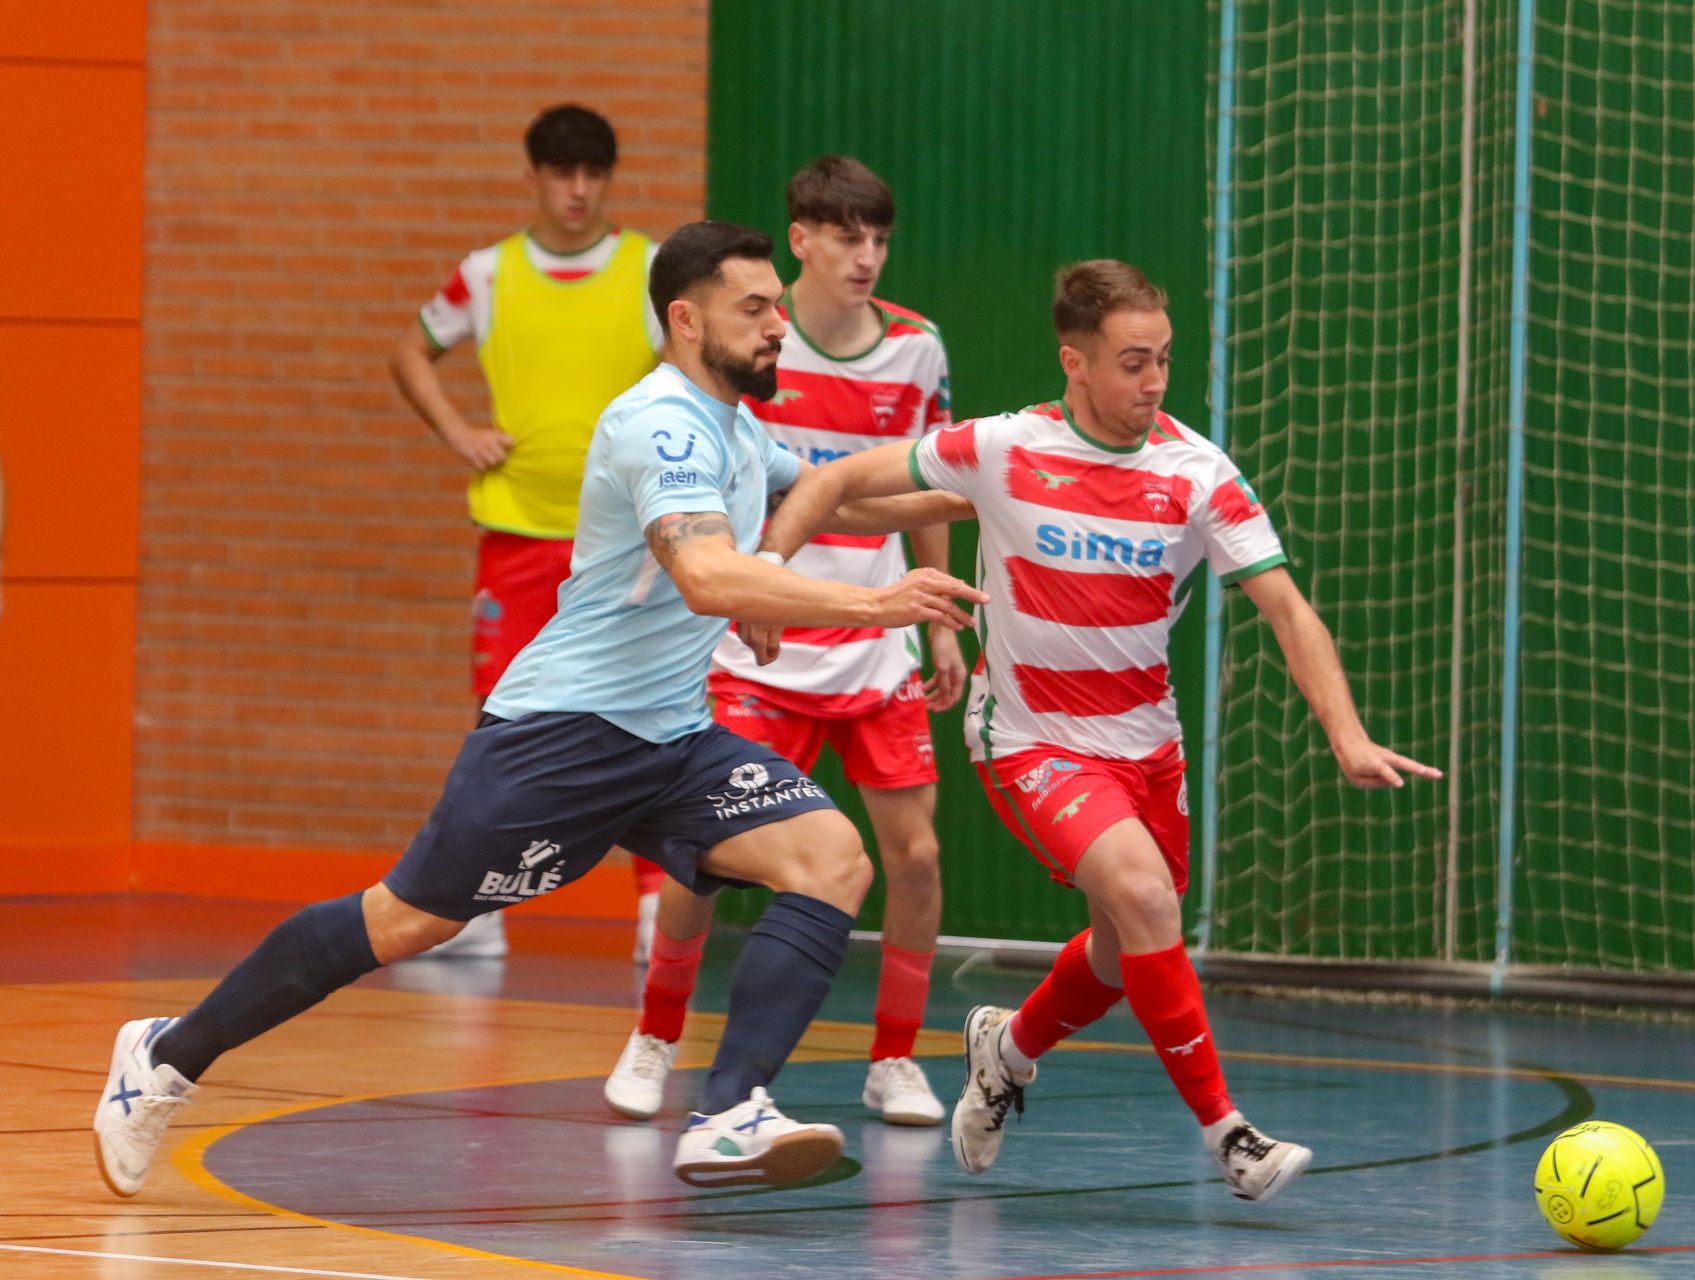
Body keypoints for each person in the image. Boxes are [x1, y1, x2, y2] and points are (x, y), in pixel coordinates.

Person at [91, 220, 984, 1199]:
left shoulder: (735, 426)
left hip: (672, 741)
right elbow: (703, 574)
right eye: (755, 307)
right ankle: (168, 1052)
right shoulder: (661, 424)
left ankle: (728, 1113)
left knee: (831, 858)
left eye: (777, 305)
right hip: (563, 737)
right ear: (687, 321)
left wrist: (982, 491)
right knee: (405, 922)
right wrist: (874, 603)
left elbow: (832, 497)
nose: (778, 325)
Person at [754, 259, 1442, 1204]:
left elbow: (1287, 609)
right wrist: (765, 578)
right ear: (1074, 362)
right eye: (1132, 362)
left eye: (1164, 359)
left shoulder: (1197, 471)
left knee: (1124, 951)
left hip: (1148, 748)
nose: (1154, 381)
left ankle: (1008, 1048)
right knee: (1148, 903)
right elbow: (837, 481)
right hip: (1032, 743)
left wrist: (1347, 734)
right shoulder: (1001, 448)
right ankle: (1228, 1135)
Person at [603, 157, 962, 1129]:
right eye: (847, 236)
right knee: (705, 859)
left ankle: (894, 1057)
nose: (867, 255)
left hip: (874, 640)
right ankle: (656, 1033)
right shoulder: (751, 344)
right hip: (760, 642)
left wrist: (936, 623)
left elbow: (926, 483)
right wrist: (747, 579)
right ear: (800, 239)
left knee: (915, 855)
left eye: (879, 238)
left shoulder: (918, 349)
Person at [389, 103, 669, 959]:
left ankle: (655, 908)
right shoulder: (486, 274)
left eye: (594, 174)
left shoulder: (651, 270)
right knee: (500, 722)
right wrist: (458, 432)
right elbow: (410, 352)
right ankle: (473, 908)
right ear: (534, 177)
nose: (578, 190)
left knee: (644, 714)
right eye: (561, 173)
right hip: (514, 535)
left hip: (624, 546)